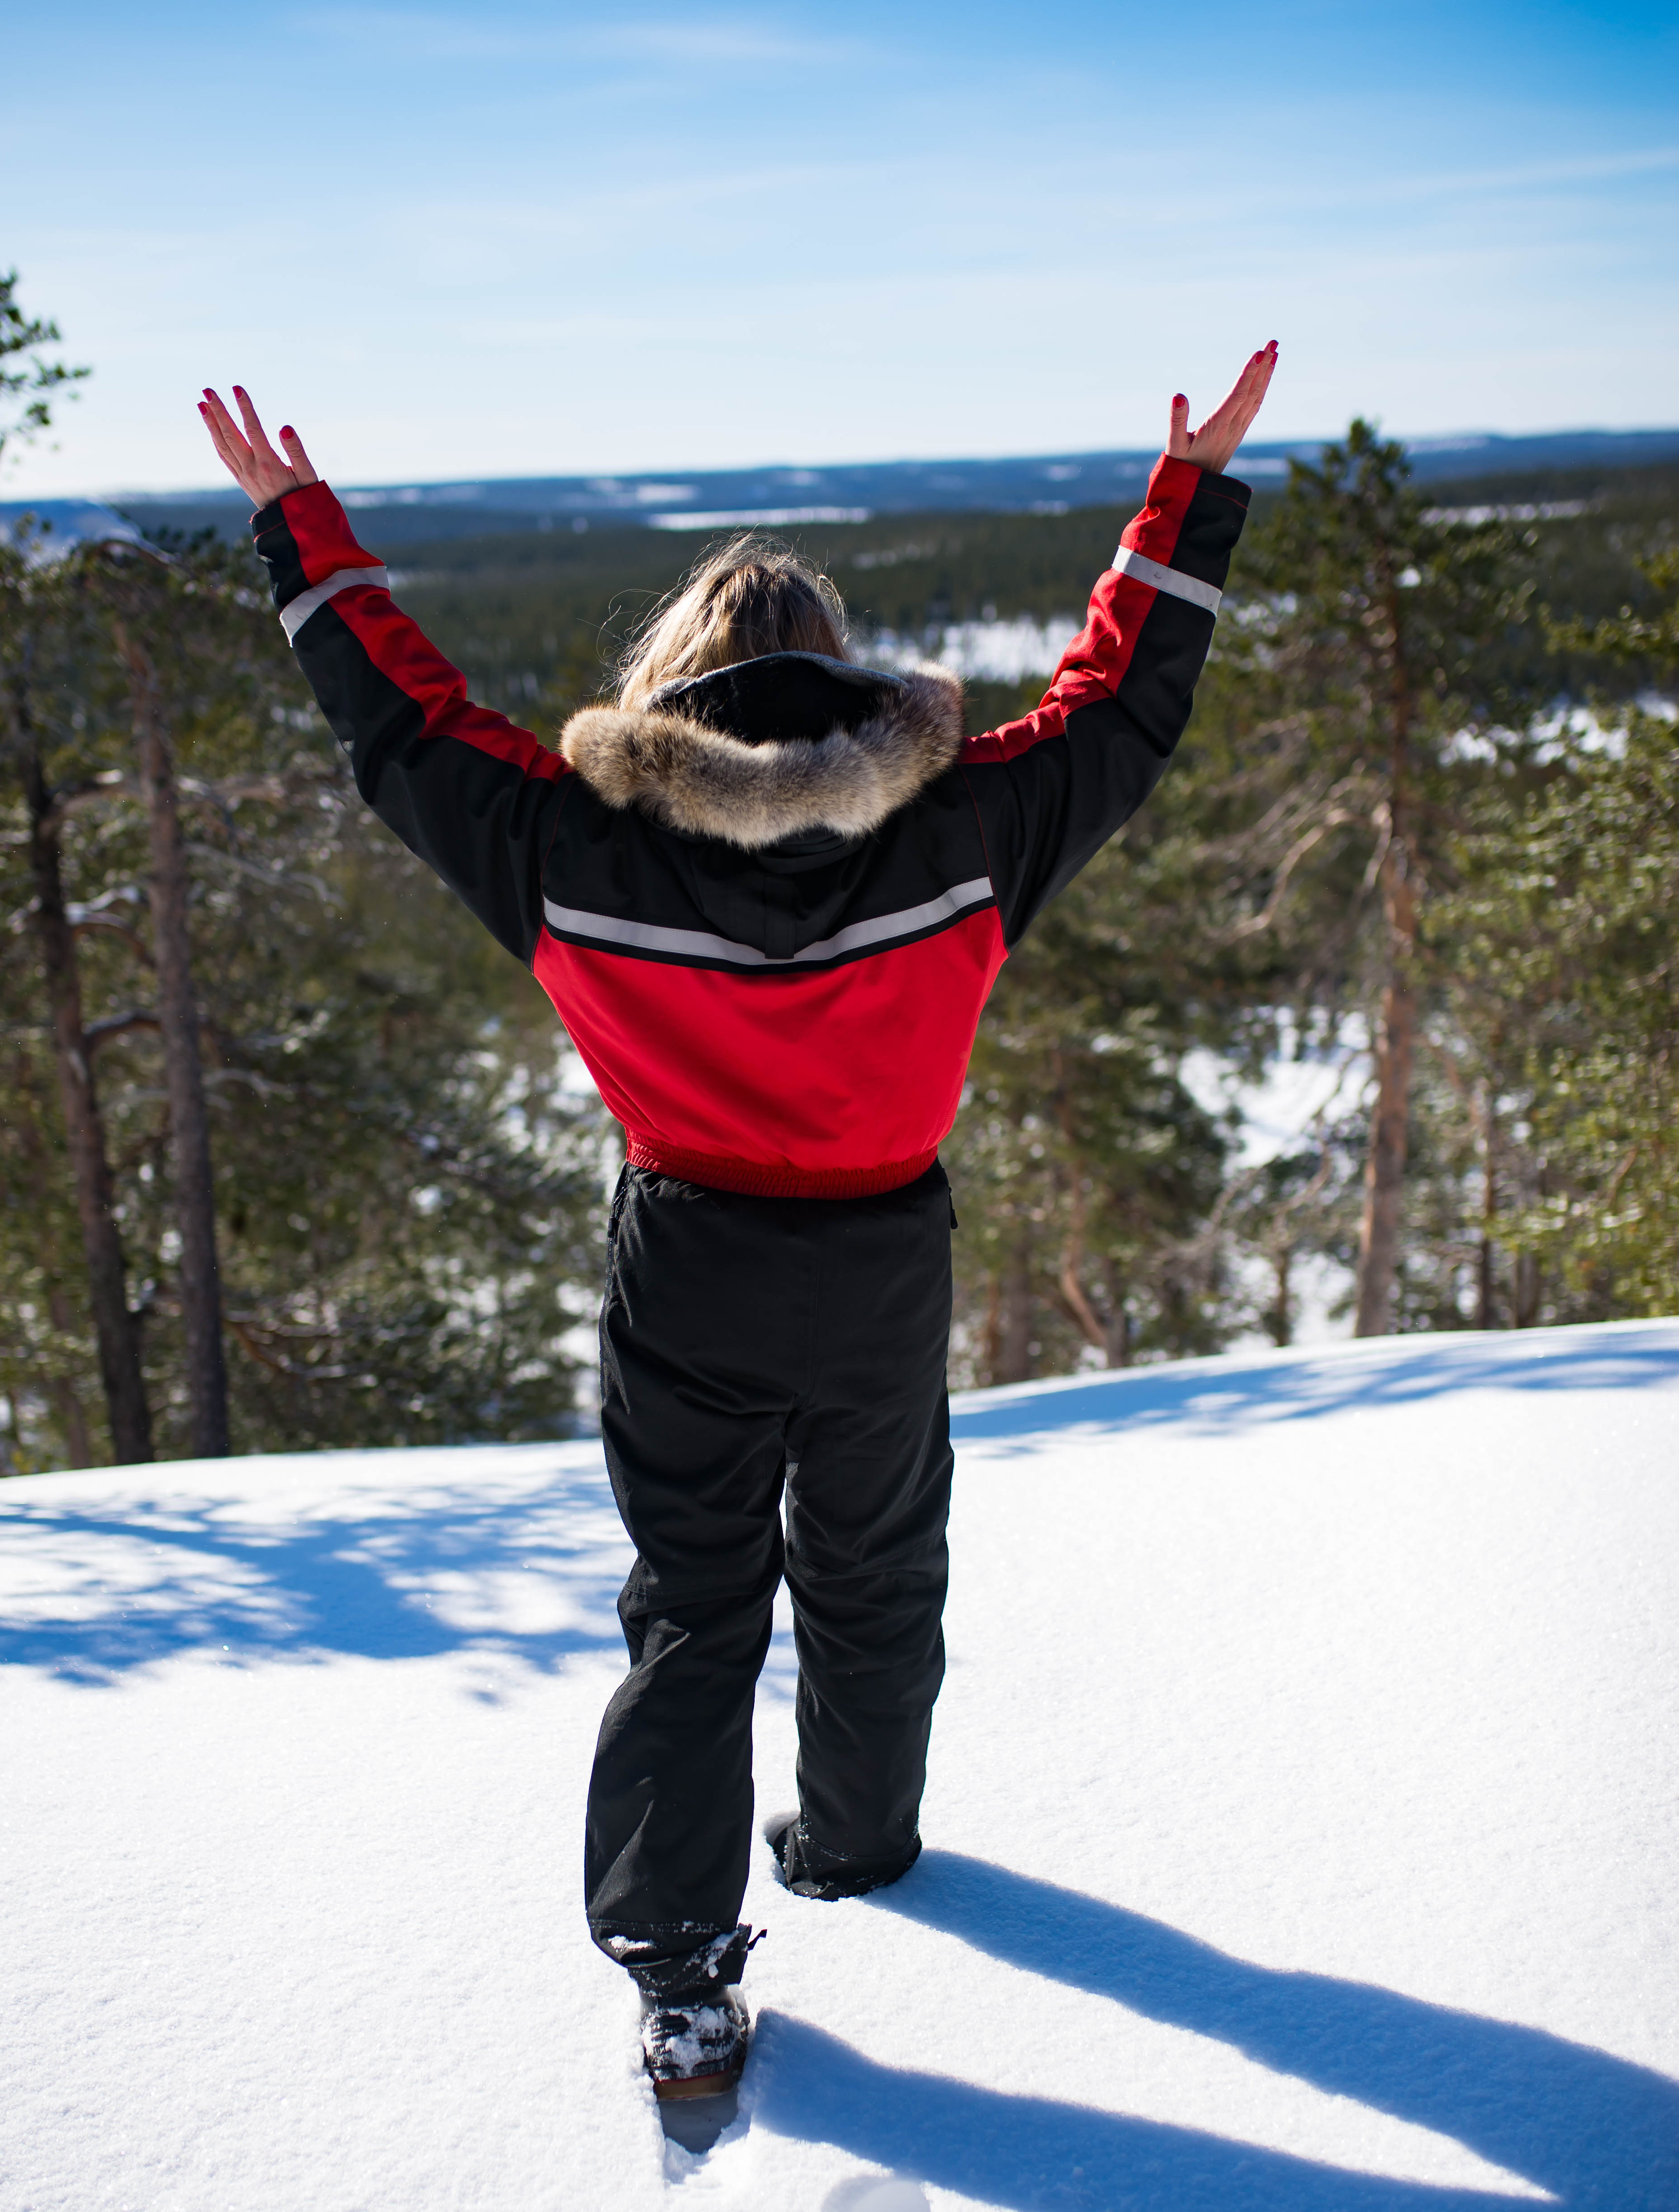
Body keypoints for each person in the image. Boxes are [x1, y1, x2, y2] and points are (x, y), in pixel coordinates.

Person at [200, 343, 1277, 2102]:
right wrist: (1181, 496)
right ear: (836, 667)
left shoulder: (569, 850)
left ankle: (681, 1974)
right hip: (873, 1271)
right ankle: (855, 1844)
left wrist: (296, 529)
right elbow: (1119, 705)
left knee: (694, 1611)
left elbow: (398, 720)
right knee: (873, 1572)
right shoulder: (963, 830)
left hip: (688, 1267)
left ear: (672, 676)